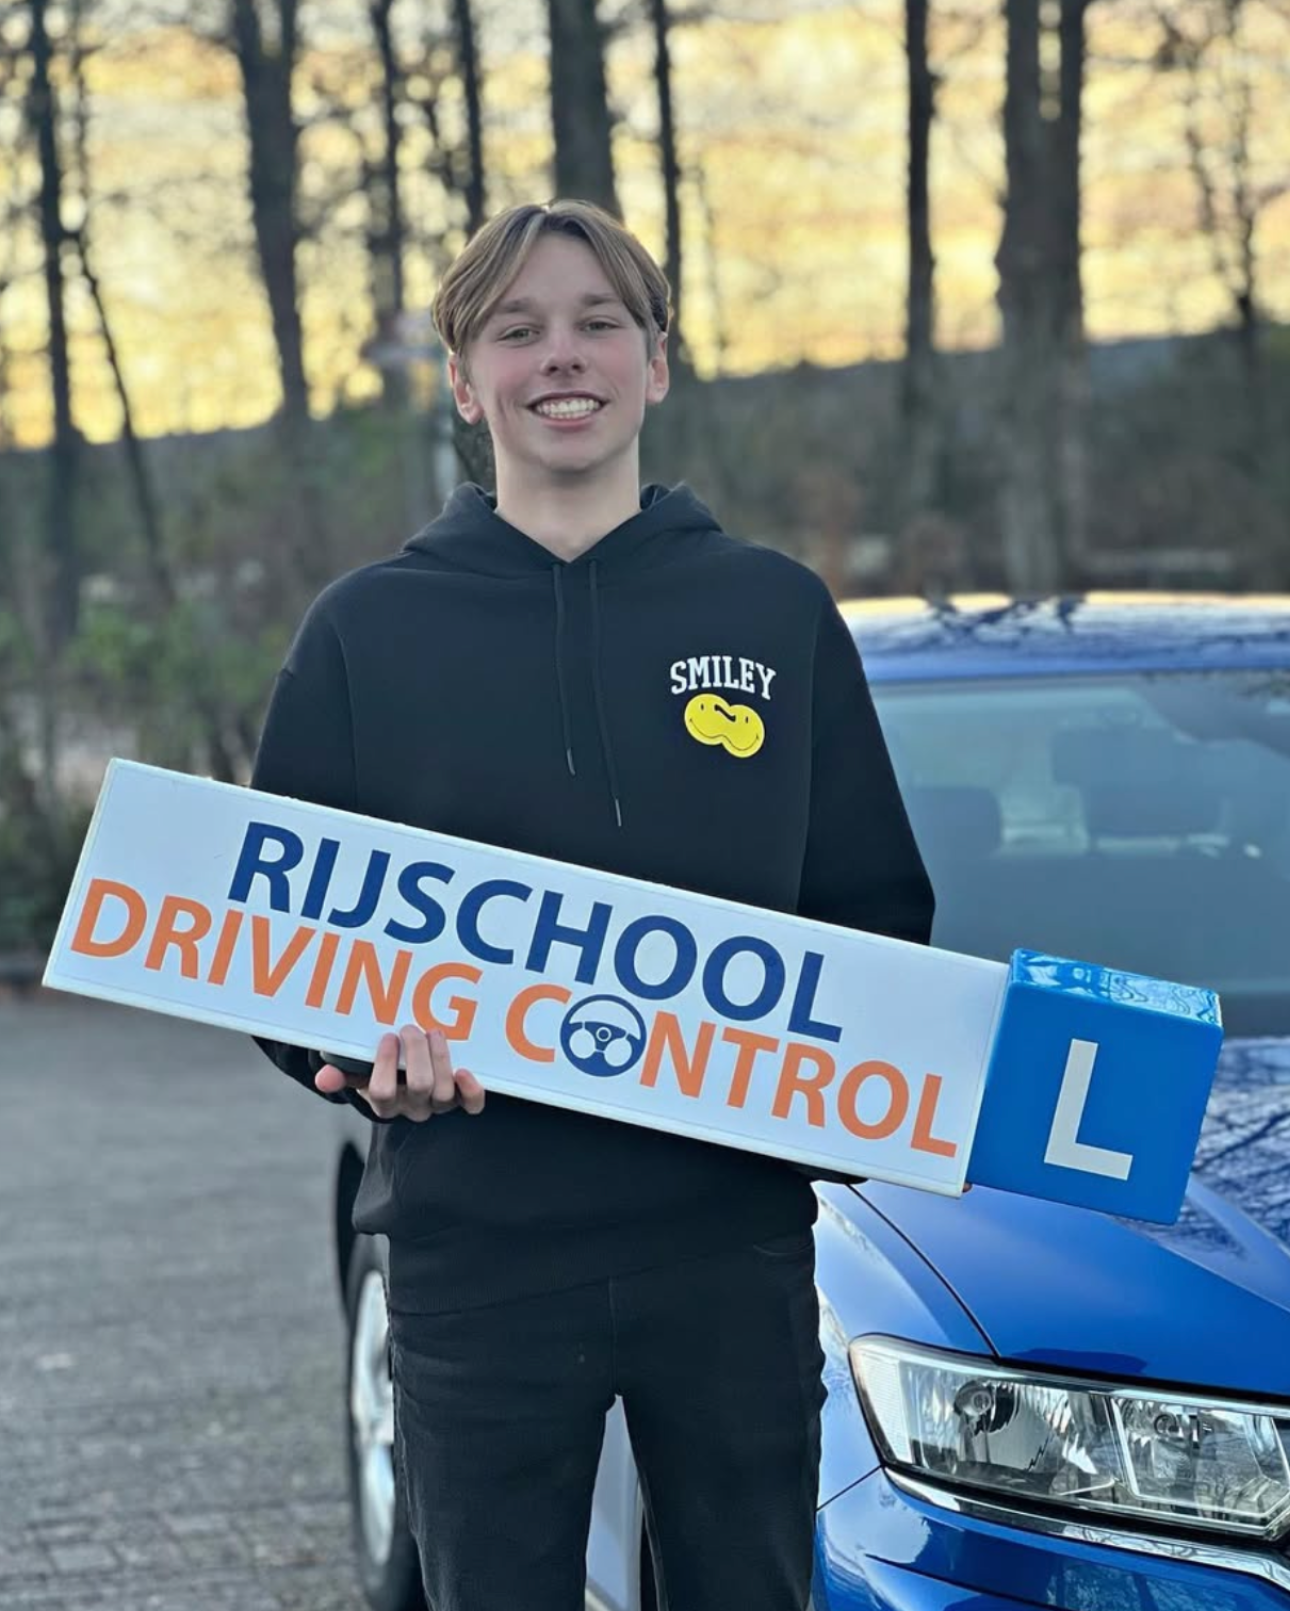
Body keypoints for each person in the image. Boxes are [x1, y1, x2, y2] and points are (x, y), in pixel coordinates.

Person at [250, 198, 933, 1611]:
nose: (560, 357)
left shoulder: (772, 614)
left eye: (596, 323)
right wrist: (361, 1052)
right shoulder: (363, 634)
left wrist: (856, 1077)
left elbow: (875, 919)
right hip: (475, 1252)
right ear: (460, 378)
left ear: (657, 362)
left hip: (725, 1248)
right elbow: (273, 958)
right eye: (517, 330)